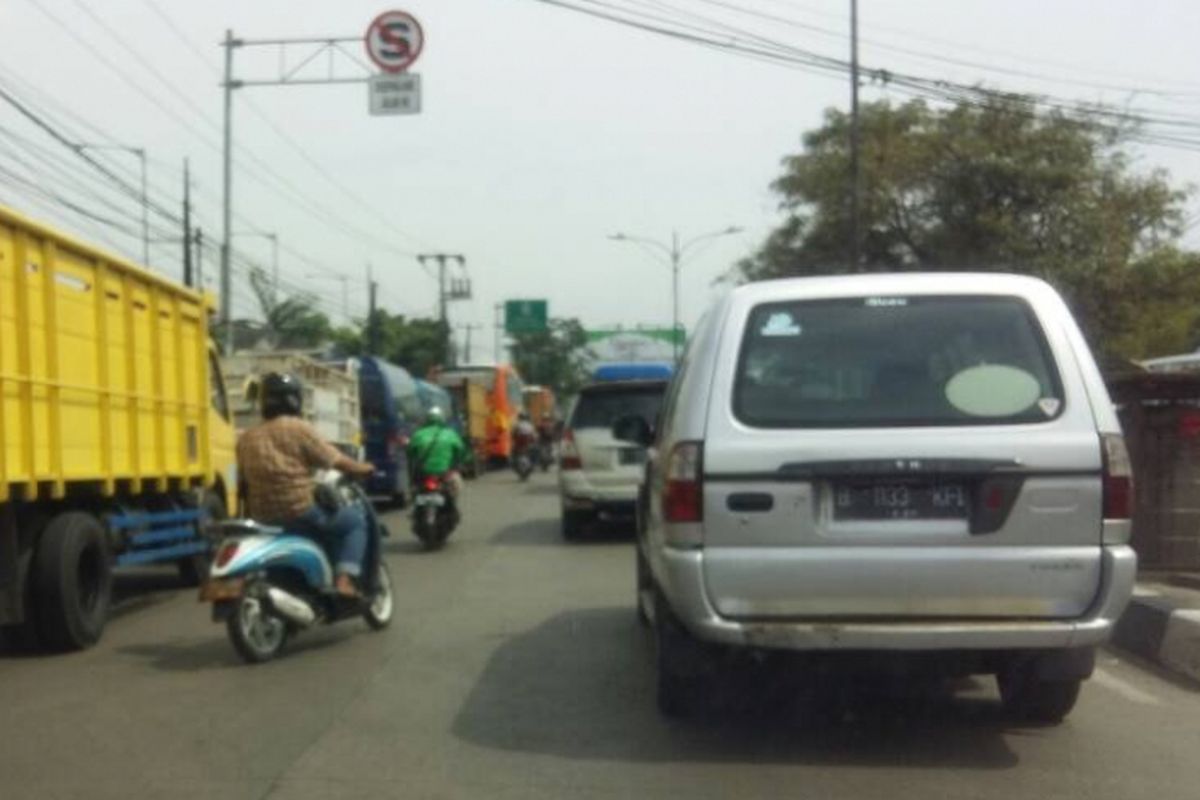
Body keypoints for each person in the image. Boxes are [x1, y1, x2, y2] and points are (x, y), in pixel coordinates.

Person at [236, 372, 375, 597]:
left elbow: (242, 484)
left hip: (262, 517)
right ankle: (344, 579)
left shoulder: (246, 438)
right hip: (300, 512)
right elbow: (336, 460)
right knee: (353, 522)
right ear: (294, 399)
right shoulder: (298, 428)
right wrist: (365, 468)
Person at [407, 405, 468, 488]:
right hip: (444, 472)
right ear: (442, 419)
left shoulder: (418, 434)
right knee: (456, 483)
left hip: (424, 472)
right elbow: (461, 451)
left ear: (427, 419)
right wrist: (456, 464)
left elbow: (410, 452)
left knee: (414, 485)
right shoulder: (450, 434)